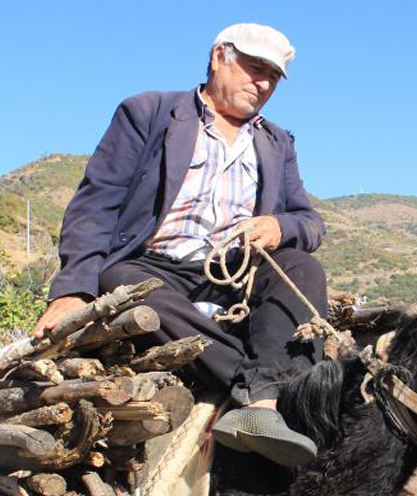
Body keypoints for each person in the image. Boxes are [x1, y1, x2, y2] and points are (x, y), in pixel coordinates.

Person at [32, 24, 327, 467]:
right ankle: (262, 391)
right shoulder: (148, 112)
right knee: (123, 285)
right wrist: (71, 292)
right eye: (254, 68)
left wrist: (278, 226)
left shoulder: (277, 142)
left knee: (303, 268)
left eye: (272, 76)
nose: (262, 83)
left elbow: (310, 222)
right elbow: (96, 203)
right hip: (152, 267)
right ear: (218, 58)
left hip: (232, 275)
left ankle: (270, 404)